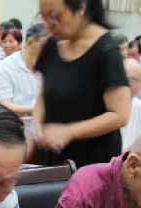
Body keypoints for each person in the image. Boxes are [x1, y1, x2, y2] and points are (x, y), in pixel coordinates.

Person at [32, 0, 130, 167]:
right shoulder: (51, 45)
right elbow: (43, 96)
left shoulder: (106, 50)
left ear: (81, 8)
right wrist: (36, 127)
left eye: (54, 17)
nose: (48, 25)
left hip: (93, 160)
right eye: (43, 17)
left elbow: (119, 115)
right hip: (55, 155)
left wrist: (69, 132)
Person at [0, 23, 49, 117]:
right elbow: (4, 105)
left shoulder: (52, 66)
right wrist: (40, 110)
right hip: (15, 123)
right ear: (29, 42)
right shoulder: (6, 66)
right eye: (45, 46)